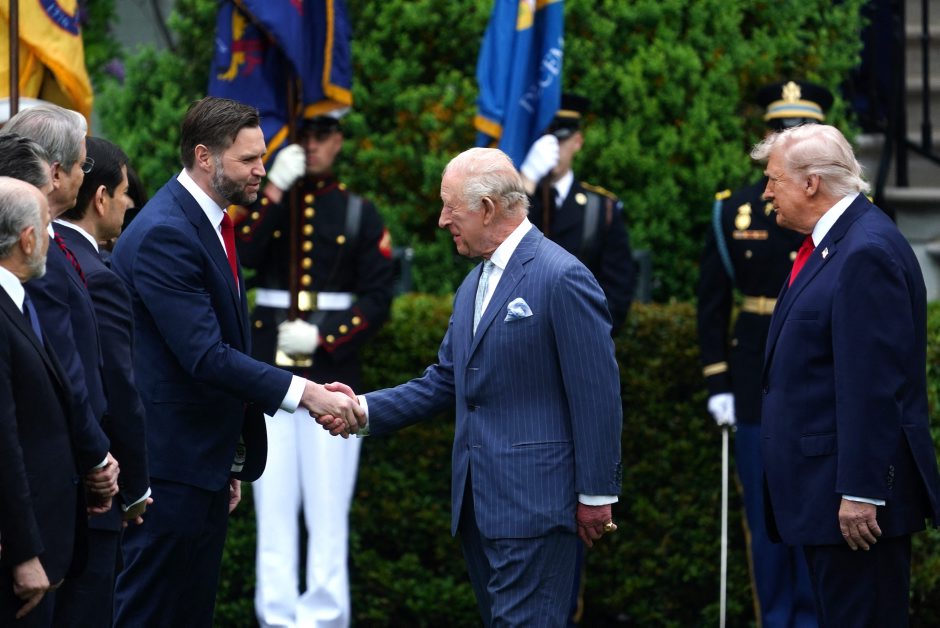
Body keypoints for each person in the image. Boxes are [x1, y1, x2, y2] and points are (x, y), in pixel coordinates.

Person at [321, 147, 623, 626]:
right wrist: (362, 408)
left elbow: (598, 395)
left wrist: (597, 494)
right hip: (480, 508)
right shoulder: (474, 283)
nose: (442, 221)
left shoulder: (562, 276)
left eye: (450, 207)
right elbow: (446, 379)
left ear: (486, 208)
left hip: (537, 508)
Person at [109, 96, 363, 627]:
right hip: (169, 468)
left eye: (262, 156)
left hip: (198, 464)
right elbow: (206, 356)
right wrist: (307, 393)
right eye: (249, 159)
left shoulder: (205, 223)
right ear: (205, 157)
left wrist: (227, 458)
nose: (262, 170)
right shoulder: (166, 232)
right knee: (150, 613)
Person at [754, 123, 940, 626]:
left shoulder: (865, 251)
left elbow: (872, 386)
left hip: (854, 507)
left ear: (811, 183)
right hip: (824, 498)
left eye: (774, 179)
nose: (766, 192)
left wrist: (861, 491)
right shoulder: (836, 243)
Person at [235, 113, 394, 628]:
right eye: (304, 135)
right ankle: (278, 617)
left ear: (338, 140)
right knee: (273, 507)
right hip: (273, 375)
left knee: (328, 509)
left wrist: (326, 336)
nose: (312, 145)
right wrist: (273, 189)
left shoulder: (358, 211)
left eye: (322, 135)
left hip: (333, 375)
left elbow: (378, 297)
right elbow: (244, 254)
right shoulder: (271, 203)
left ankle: (324, 618)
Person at [696, 80, 833, 627]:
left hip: (819, 374)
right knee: (764, 509)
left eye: (801, 130)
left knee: (819, 506)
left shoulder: (846, 211)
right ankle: (775, 618)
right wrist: (718, 382)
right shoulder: (735, 209)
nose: (789, 139)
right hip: (753, 376)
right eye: (780, 130)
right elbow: (711, 303)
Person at [50, 137, 152, 627]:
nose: (129, 205)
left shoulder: (44, 254)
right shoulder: (97, 274)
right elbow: (117, 391)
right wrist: (134, 489)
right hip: (95, 492)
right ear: (102, 197)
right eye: (126, 193)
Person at [0, 106, 119, 519]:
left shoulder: (52, 246)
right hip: (46, 481)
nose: (84, 176)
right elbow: (67, 368)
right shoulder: (34, 258)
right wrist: (96, 457)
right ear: (54, 172)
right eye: (81, 165)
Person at [0, 176, 98, 626]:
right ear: (27, 239)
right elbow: (5, 442)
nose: (52, 239)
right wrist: (23, 553)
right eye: (47, 227)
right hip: (21, 560)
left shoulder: (17, 304)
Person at [517, 93, 636, 333]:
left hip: (580, 336)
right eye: (544, 140)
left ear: (578, 141)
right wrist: (524, 184)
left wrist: (586, 334)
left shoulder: (601, 208)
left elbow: (618, 291)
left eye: (559, 140)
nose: (551, 150)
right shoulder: (517, 201)